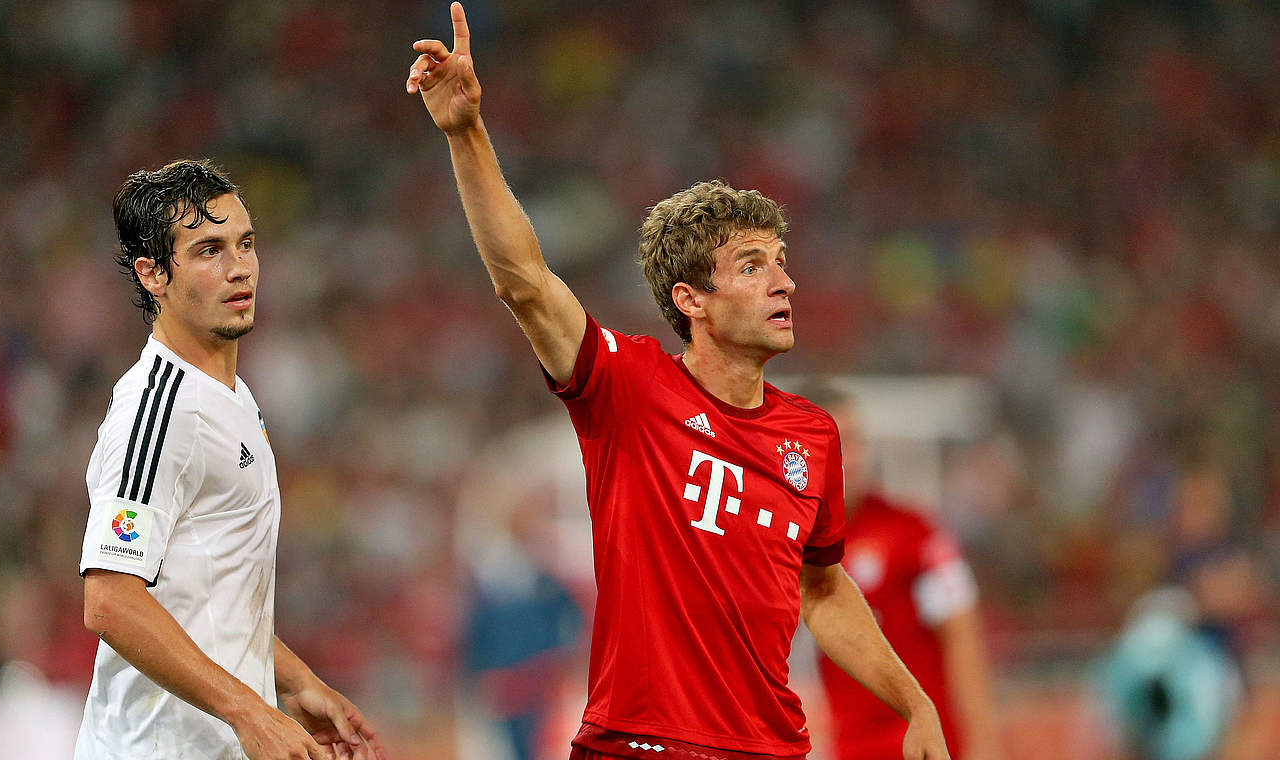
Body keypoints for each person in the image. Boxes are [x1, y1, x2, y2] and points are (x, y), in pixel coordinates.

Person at [406, 6, 949, 760]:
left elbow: (820, 591)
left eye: (781, 263)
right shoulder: (628, 388)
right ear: (691, 301)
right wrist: (466, 133)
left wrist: (913, 701)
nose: (784, 282)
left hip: (771, 750)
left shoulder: (813, 436)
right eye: (753, 267)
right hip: (639, 746)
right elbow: (527, 284)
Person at [76, 159, 385, 760]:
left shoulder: (231, 395)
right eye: (208, 250)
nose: (239, 267)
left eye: (245, 244)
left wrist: (295, 685)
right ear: (152, 275)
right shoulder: (158, 411)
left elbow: (202, 598)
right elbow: (110, 599)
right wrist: (250, 712)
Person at [809, 389, 1005, 760]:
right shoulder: (791, 544)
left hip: (924, 748)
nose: (851, 457)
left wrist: (984, 747)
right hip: (850, 750)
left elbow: (962, 638)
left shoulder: (916, 535)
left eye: (855, 441)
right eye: (835, 442)